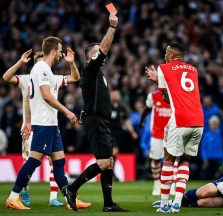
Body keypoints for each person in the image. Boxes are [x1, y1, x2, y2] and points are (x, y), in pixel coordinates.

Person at [5, 36, 79, 211]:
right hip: (44, 124)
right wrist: (67, 111)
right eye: (60, 50)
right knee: (33, 162)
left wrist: (71, 62)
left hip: (51, 125)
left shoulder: (49, 73)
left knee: (59, 162)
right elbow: (46, 96)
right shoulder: (41, 69)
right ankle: (13, 197)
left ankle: (70, 198)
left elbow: (75, 78)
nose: (61, 54)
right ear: (53, 50)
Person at [66, 14, 127, 212]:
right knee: (103, 162)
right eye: (98, 52)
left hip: (101, 121)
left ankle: (108, 204)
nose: (104, 55)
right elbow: (105, 48)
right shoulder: (90, 69)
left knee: (108, 163)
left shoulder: (98, 74)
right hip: (96, 121)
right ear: (91, 56)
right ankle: (72, 189)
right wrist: (112, 27)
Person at [146, 42, 204, 213]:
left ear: (171, 55)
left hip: (180, 119)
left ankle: (164, 204)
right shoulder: (193, 70)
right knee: (185, 161)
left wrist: (157, 80)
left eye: (166, 53)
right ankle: (177, 202)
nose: (164, 55)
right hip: (199, 120)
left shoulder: (164, 68)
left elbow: (166, 99)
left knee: (169, 159)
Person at [152, 175, 223, 208]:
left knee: (202, 203)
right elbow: (220, 186)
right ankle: (175, 200)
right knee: (202, 194)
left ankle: (180, 204)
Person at [139, 88, 173, 196]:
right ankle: (157, 184)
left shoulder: (174, 93)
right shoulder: (153, 96)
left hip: (172, 133)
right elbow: (147, 109)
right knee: (156, 159)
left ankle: (172, 185)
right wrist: (141, 121)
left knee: (173, 160)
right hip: (157, 134)